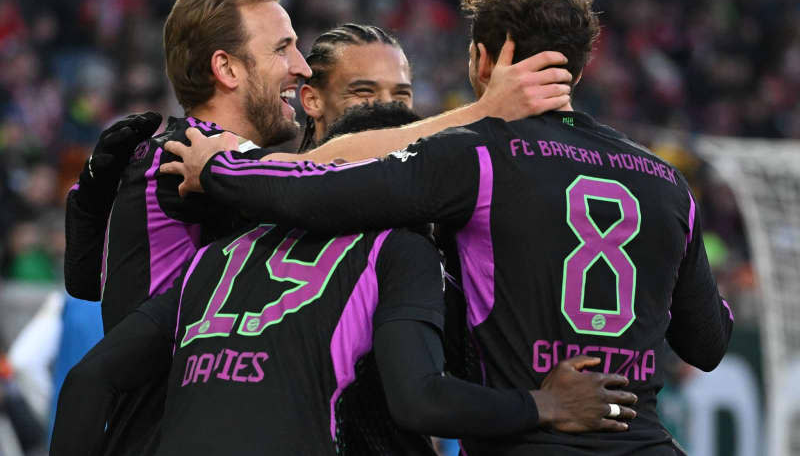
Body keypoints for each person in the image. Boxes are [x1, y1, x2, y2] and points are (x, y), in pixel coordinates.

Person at [164, 0, 734, 455]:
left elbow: (325, 190)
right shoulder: (666, 182)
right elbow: (709, 343)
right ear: (580, 69)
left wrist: (218, 166)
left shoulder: (476, 157)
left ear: (481, 60)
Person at [62, 0, 578, 454]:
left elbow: (90, 283)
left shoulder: (234, 181)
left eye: (401, 93)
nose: (299, 63)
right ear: (227, 68)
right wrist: (482, 115)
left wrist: (87, 207)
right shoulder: (191, 155)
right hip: (168, 432)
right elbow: (322, 174)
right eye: (282, 48)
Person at [52, 102, 636, 456]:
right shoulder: (397, 250)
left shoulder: (221, 252)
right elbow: (421, 400)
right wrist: (543, 404)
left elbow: (87, 381)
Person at [298, 23, 413, 151]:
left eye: (401, 93)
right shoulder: (279, 169)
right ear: (312, 101)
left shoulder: (429, 169)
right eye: (364, 91)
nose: (388, 103)